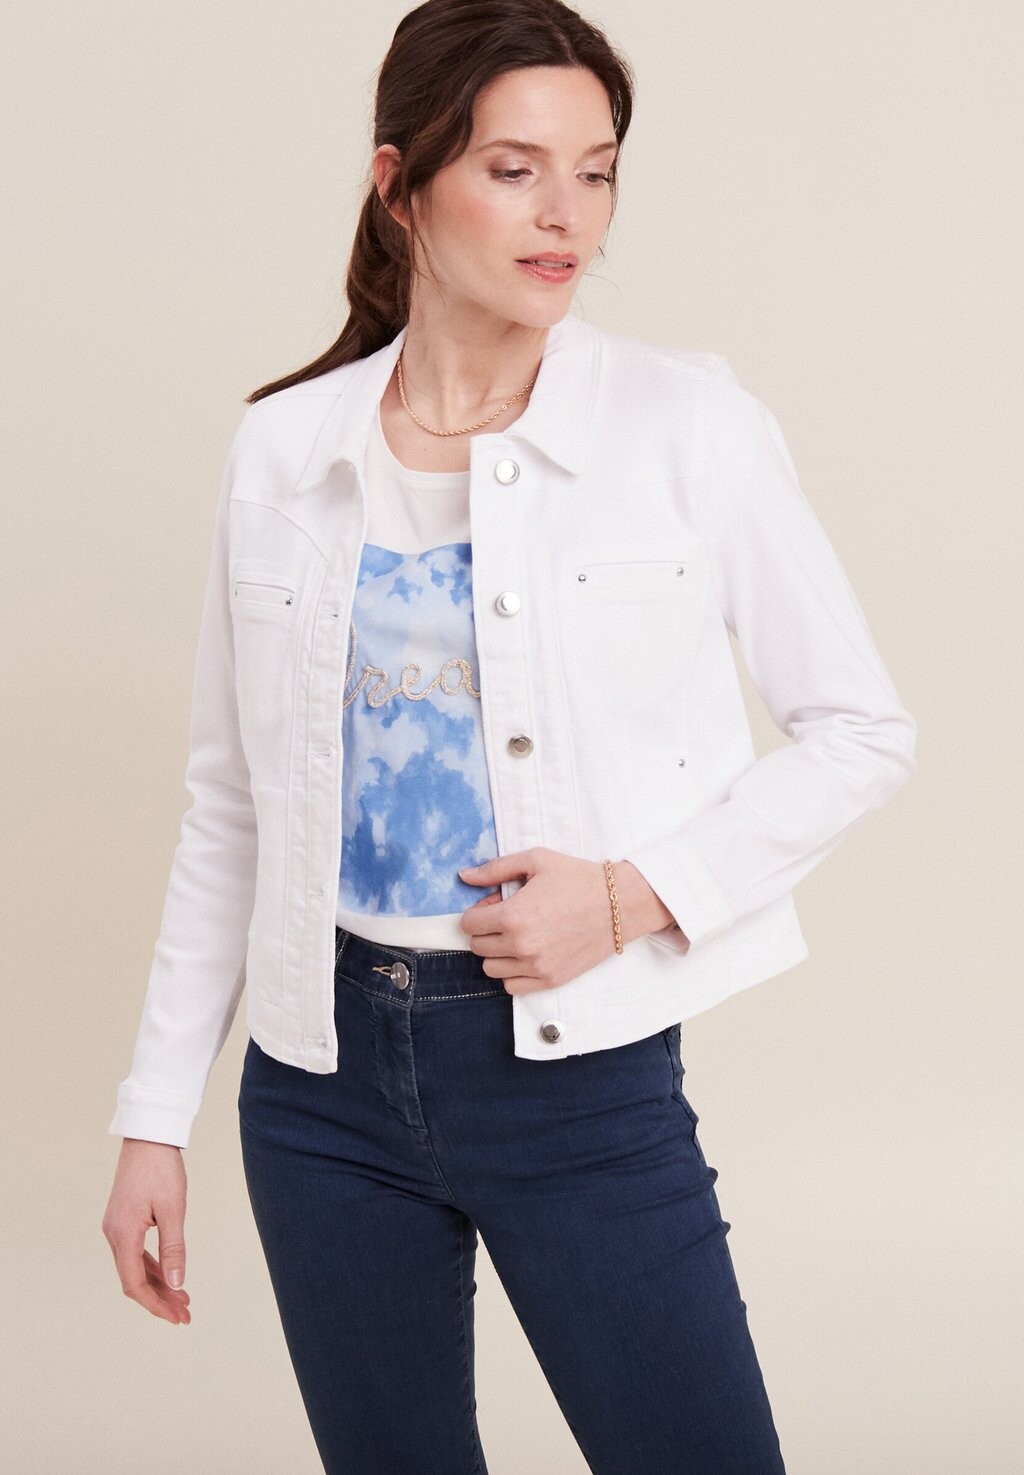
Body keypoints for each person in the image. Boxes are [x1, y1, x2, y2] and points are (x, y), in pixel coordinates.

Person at [101, 2, 917, 1471]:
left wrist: (631, 894)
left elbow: (862, 731)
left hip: (577, 1078)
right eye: (515, 169)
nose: (567, 216)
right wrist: (154, 1116)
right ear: (401, 185)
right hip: (318, 1088)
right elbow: (231, 806)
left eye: (596, 174)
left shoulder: (687, 427)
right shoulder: (283, 448)